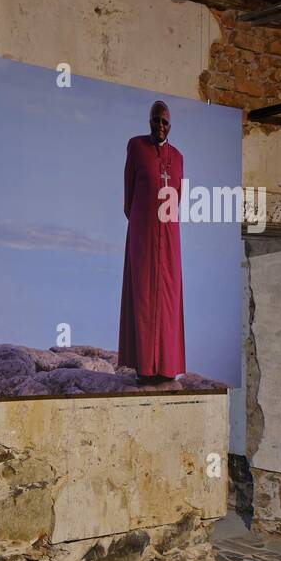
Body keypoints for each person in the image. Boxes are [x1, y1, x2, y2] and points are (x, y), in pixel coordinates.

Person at [118, 100, 185, 383]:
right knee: (144, 297)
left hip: (169, 236)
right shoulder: (135, 147)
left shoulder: (178, 157)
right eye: (156, 120)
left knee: (168, 299)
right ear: (149, 121)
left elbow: (177, 196)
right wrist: (143, 221)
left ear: (170, 126)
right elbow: (128, 197)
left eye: (165, 122)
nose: (160, 126)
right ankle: (144, 368)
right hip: (143, 234)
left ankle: (166, 368)